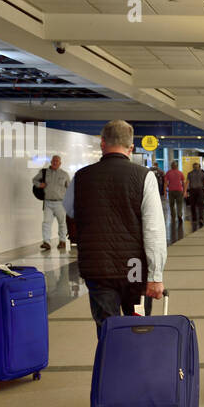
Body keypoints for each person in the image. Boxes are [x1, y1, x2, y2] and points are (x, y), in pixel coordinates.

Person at [63, 120, 166, 327]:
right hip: (134, 267)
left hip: (97, 266)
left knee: (107, 331)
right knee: (138, 330)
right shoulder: (144, 176)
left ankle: (110, 359)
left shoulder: (81, 177)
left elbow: (71, 210)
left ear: (102, 144)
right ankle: (137, 359)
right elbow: (153, 228)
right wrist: (155, 276)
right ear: (131, 148)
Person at [32, 155, 71, 251]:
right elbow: (34, 180)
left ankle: (62, 241)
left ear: (60, 163)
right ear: (51, 162)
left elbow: (69, 188)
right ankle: (46, 242)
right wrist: (39, 184)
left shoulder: (64, 174)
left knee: (62, 223)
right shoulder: (44, 172)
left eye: (57, 161)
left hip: (60, 203)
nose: (55, 163)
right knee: (46, 223)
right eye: (53, 161)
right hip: (48, 202)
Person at [164, 159, 185, 230]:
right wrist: (184, 191)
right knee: (179, 204)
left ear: (171, 166)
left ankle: (173, 217)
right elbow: (183, 183)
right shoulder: (180, 173)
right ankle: (179, 215)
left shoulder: (168, 173)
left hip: (171, 191)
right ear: (177, 166)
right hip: (179, 190)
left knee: (171, 205)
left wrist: (165, 192)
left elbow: (165, 183)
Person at [186, 160, 204, 230]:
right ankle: (201, 218)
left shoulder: (190, 174)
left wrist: (185, 191)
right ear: (198, 167)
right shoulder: (202, 173)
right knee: (201, 205)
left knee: (193, 205)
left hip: (192, 190)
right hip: (200, 190)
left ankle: (194, 219)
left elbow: (187, 183)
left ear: (193, 167)